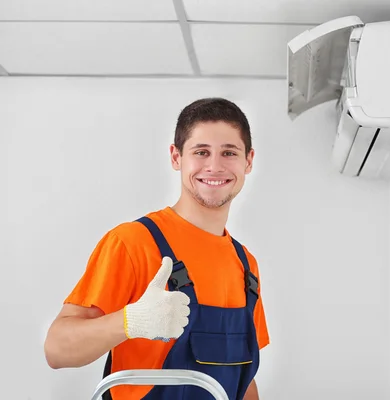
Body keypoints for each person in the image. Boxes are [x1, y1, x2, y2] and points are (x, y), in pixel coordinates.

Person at [43, 98, 270, 400]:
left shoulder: (246, 265)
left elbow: (243, 379)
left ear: (249, 161)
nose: (215, 166)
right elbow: (56, 350)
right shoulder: (133, 242)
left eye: (229, 152)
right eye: (201, 152)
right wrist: (130, 322)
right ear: (176, 157)